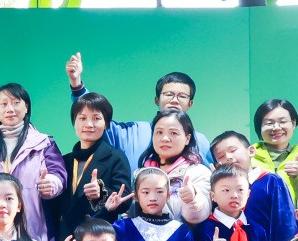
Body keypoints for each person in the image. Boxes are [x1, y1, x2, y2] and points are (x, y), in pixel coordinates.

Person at [64, 55, 209, 167]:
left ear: (190, 104)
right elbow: (95, 118)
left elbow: (213, 179)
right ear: (156, 100)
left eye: (182, 96)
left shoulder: (199, 141)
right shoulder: (133, 132)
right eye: (169, 94)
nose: (175, 100)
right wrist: (76, 84)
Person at [0, 83, 65, 241]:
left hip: (35, 238)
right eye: (4, 104)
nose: (10, 109)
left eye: (16, 102)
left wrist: (51, 184)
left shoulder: (43, 144)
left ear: (26, 107)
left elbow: (58, 174)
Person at [57, 92, 131, 239]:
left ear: (106, 124)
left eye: (96, 118)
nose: (89, 124)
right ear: (74, 123)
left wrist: (102, 193)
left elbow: (124, 199)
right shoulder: (63, 161)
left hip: (98, 239)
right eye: (82, 118)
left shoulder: (116, 158)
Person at [209, 129, 296, 241]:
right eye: (221, 156)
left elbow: (285, 224)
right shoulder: (218, 189)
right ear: (217, 165)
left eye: (233, 150)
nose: (228, 157)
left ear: (251, 151)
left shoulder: (271, 182)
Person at [138, 110, 210, 223]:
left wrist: (193, 199)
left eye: (173, 133)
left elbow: (198, 216)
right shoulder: (140, 173)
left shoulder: (198, 172)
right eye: (159, 132)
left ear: (187, 139)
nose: (165, 138)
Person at [250, 98, 298, 198]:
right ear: (259, 127)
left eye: (283, 121)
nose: (276, 127)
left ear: (293, 124)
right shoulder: (248, 159)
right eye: (269, 123)